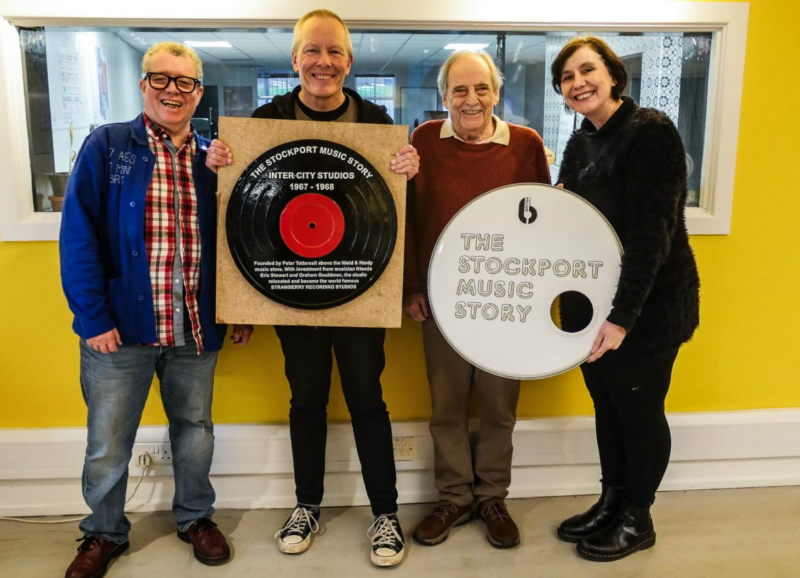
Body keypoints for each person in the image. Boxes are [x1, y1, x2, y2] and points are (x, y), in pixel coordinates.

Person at [206, 9, 418, 567]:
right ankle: (307, 505)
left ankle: (385, 513)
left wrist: (407, 168)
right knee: (306, 400)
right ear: (295, 59)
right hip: (291, 286)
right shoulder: (265, 120)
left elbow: (392, 213)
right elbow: (243, 210)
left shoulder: (376, 121)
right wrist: (219, 162)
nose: (323, 62)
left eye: (334, 52)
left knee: (367, 399)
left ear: (349, 61)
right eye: (312, 51)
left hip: (358, 287)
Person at [59, 42, 253, 578]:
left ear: (198, 92)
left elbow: (237, 239)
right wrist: (93, 317)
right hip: (120, 331)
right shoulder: (107, 147)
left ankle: (195, 517)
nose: (172, 90)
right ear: (144, 86)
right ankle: (104, 532)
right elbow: (78, 236)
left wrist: (239, 308)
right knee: (108, 443)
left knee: (195, 429)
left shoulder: (213, 158)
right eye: (161, 79)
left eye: (184, 81)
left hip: (194, 327)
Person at [550, 36, 700, 561]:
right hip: (592, 305)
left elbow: (651, 234)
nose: (578, 83)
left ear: (614, 75)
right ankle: (611, 501)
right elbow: (576, 220)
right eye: (567, 77)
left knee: (638, 412)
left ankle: (638, 517)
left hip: (646, 308)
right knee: (608, 407)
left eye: (586, 70)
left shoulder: (650, 132)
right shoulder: (580, 142)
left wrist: (622, 317)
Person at [403, 50, 550, 550]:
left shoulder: (526, 144)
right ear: (444, 96)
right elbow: (411, 218)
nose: (471, 99)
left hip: (507, 303)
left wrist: (537, 294)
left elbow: (544, 221)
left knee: (498, 407)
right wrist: (412, 287)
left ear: (496, 93)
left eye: (481, 88)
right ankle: (453, 498)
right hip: (440, 302)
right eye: (460, 90)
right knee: (446, 406)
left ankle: (491, 497)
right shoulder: (425, 141)